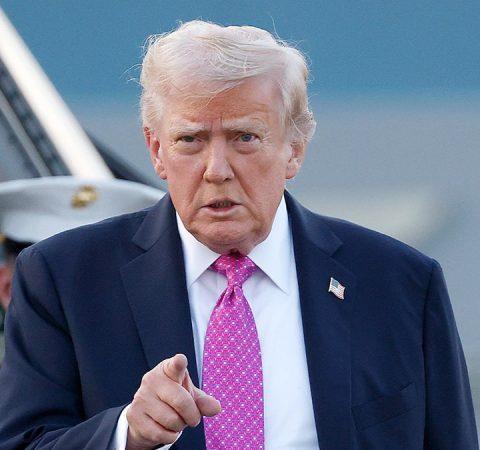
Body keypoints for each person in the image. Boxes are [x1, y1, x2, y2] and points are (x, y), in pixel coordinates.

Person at [0, 20, 477, 450]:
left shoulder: (399, 282)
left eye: (244, 138)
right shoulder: (65, 278)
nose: (217, 169)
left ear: (294, 149)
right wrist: (127, 433)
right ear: (156, 149)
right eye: (190, 140)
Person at [0, 176, 165, 363]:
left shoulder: (179, 369)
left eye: (101, 284)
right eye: (53, 282)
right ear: (7, 288)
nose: (78, 303)